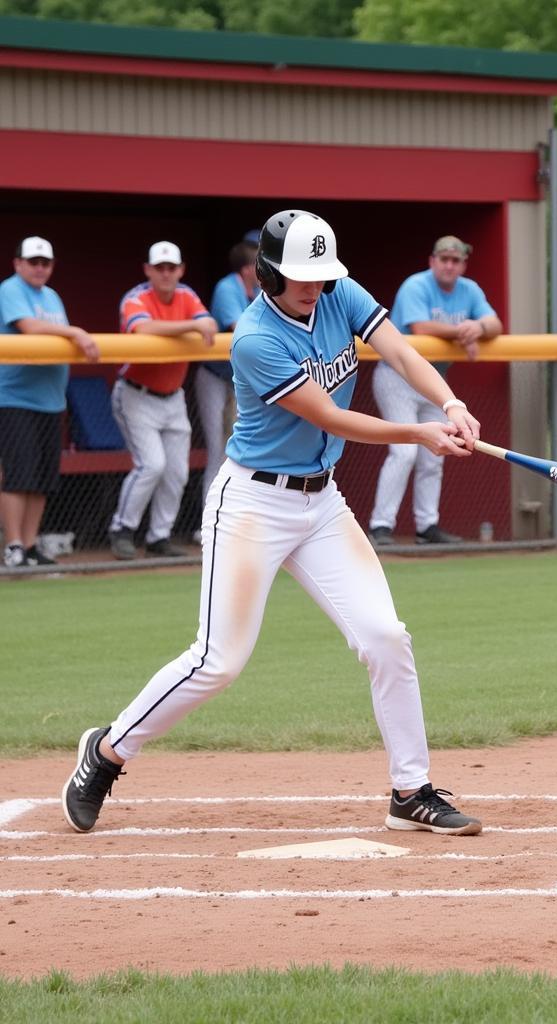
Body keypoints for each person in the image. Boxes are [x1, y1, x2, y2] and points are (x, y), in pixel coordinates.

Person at [61, 209, 483, 839]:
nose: (313, 287)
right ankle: (108, 751)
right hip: (254, 506)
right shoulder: (256, 336)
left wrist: (449, 403)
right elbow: (330, 419)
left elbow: (396, 349)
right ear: (268, 272)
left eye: (319, 275)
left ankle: (410, 789)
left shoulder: (340, 293)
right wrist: (419, 432)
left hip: (322, 504)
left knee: (386, 637)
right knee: (219, 661)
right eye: (299, 276)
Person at [368, 235, 501, 547]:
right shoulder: (416, 284)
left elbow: (494, 323)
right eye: (444, 259)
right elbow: (421, 328)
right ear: (432, 261)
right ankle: (380, 526)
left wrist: (478, 329)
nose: (450, 265)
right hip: (397, 378)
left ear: (463, 264)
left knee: (435, 455)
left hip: (434, 384)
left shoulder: (469, 289)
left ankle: (427, 526)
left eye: (456, 260)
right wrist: (463, 332)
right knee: (404, 452)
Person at [107, 241, 218, 561]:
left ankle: (159, 536)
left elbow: (208, 323)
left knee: (177, 471)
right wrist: (191, 326)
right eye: (160, 268)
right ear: (148, 270)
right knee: (151, 465)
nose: (166, 274)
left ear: (181, 270)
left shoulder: (187, 295)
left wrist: (197, 323)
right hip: (136, 394)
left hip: (173, 396)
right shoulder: (136, 297)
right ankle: (122, 530)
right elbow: (142, 327)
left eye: (172, 268)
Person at [0, 236, 99, 568]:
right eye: (33, 262)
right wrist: (75, 332)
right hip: (15, 397)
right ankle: (13, 545)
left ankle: (29, 546)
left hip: (50, 400)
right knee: (18, 474)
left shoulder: (51, 296)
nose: (39, 268)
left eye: (45, 263)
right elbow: (28, 328)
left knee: (42, 478)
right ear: (18, 263)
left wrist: (72, 333)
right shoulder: (11, 289)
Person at [197, 237, 259, 504]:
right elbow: (239, 329)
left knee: (237, 450)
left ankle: (229, 515)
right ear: (246, 269)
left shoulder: (257, 291)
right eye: (260, 264)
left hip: (238, 380)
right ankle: (207, 522)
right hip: (214, 376)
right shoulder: (227, 287)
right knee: (217, 450)